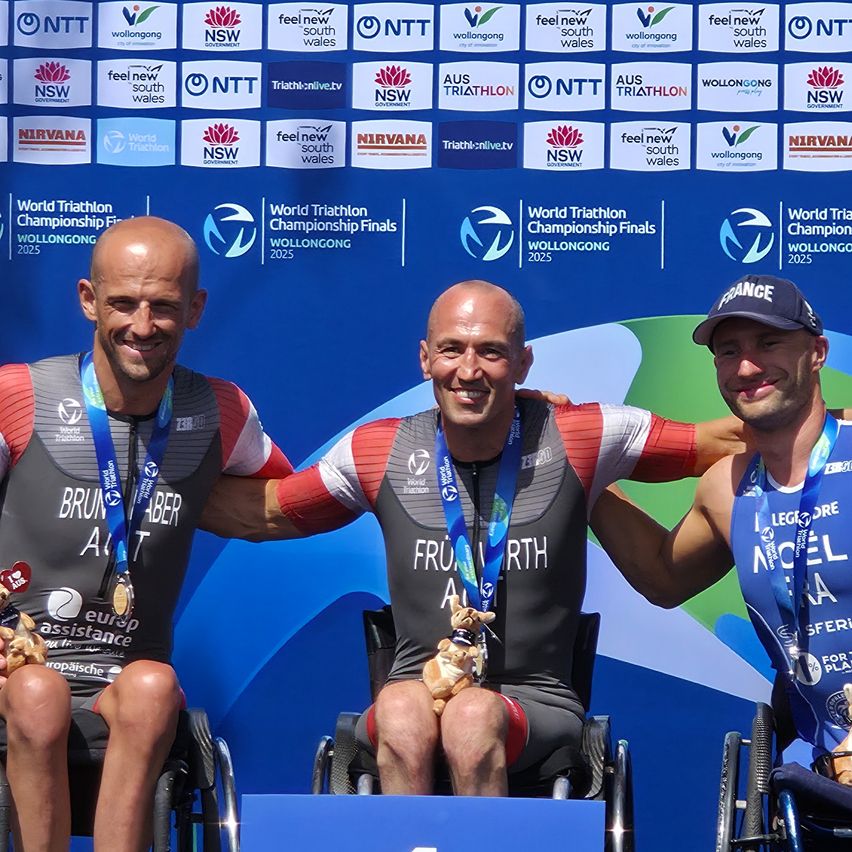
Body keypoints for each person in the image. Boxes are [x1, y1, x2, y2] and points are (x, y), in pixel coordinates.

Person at [201, 278, 746, 796]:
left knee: (471, 714)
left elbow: (724, 439)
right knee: (398, 708)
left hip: (538, 703)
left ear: (523, 362)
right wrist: (134, 473)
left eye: (490, 351)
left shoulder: (581, 434)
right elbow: (264, 513)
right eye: (451, 350)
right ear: (424, 358)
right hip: (417, 692)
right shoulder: (376, 451)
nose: (468, 370)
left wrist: (830, 432)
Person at [0, 216, 292, 851]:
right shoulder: (16, 395)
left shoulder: (221, 410)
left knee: (155, 682)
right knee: (35, 692)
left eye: (163, 306)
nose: (141, 325)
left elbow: (288, 503)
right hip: (18, 674)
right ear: (87, 300)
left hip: (127, 685)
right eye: (123, 303)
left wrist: (492, 419)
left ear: (195, 309)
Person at [590, 273, 852, 782]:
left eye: (769, 343)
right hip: (821, 764)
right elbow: (663, 579)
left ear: (817, 352)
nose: (747, 366)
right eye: (728, 352)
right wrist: (584, 472)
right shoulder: (725, 487)